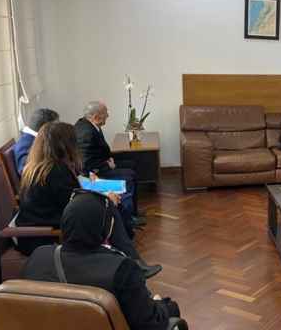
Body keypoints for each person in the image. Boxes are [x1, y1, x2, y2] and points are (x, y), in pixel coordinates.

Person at [15, 122, 161, 278]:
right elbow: (75, 204)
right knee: (108, 209)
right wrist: (105, 199)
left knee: (107, 207)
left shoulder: (39, 167)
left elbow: (72, 198)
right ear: (64, 146)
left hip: (44, 222)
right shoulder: (55, 171)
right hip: (44, 232)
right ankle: (131, 261)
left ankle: (130, 260)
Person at [22, 191, 183, 330]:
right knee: (171, 309)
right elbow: (149, 324)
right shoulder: (121, 269)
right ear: (107, 229)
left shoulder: (38, 258)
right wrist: (162, 306)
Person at [75, 101, 142, 227]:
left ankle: (133, 213)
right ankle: (127, 220)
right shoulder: (86, 133)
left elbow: (97, 151)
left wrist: (108, 159)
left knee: (132, 164)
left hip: (101, 163)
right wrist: (106, 164)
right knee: (129, 178)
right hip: (94, 176)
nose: (108, 116)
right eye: (105, 113)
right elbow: (86, 164)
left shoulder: (87, 123)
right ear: (96, 117)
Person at [12, 108, 59, 175]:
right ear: (44, 130)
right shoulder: (24, 146)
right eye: (56, 128)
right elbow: (28, 173)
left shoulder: (31, 139)